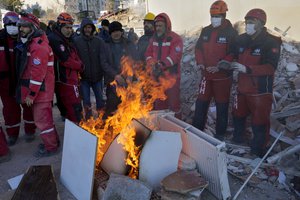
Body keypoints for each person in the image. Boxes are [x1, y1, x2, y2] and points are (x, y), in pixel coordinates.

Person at [231, 8, 281, 157]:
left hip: (260, 91)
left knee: (259, 122)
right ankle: (238, 142)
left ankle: (258, 151)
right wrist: (228, 62)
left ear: (261, 23)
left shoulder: (270, 42)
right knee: (238, 115)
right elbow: (232, 54)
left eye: (251, 22)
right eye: (247, 22)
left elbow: (270, 68)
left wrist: (247, 68)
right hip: (242, 88)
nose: (248, 25)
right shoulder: (242, 39)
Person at [15, 12, 59, 157]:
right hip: (42, 90)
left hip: (41, 92)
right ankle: (53, 142)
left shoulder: (38, 46)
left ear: (32, 28)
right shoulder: (33, 43)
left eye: (24, 27)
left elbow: (37, 74)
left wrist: (31, 94)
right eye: (20, 26)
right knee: (46, 119)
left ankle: (51, 148)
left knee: (42, 121)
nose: (21, 29)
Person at [192, 0, 237, 140]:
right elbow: (198, 49)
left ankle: (219, 137)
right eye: (212, 16)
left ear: (224, 16)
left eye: (217, 16)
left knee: (222, 107)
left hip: (222, 78)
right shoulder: (206, 30)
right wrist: (200, 63)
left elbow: (233, 53)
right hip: (206, 75)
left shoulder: (231, 32)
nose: (214, 19)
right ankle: (196, 133)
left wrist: (219, 65)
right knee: (200, 105)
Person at [0, 11, 36, 147]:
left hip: (23, 80)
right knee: (10, 110)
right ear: (4, 24)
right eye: (8, 24)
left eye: (14, 24)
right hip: (5, 82)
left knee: (28, 106)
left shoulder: (25, 38)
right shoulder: (0, 38)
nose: (11, 26)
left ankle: (30, 131)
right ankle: (12, 134)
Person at [145, 13, 183, 118]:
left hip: (171, 78)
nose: (158, 28)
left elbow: (175, 56)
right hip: (157, 77)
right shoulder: (153, 39)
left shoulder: (175, 38)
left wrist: (161, 64)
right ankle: (161, 127)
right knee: (159, 104)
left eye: (160, 26)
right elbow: (148, 54)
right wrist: (152, 63)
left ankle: (178, 128)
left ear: (167, 26)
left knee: (174, 104)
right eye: (156, 26)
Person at [48, 12, 83, 123]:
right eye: (66, 27)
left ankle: (73, 127)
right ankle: (76, 130)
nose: (69, 30)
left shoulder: (66, 39)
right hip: (65, 80)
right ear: (60, 26)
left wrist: (80, 64)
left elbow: (74, 55)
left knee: (72, 107)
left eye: (70, 28)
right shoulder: (55, 39)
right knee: (74, 107)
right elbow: (65, 60)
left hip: (70, 78)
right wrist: (80, 66)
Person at [74, 18, 113, 119]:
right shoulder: (77, 41)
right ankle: (89, 119)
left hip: (97, 77)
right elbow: (75, 58)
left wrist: (105, 74)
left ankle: (101, 118)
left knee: (100, 100)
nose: (88, 30)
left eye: (90, 28)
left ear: (93, 29)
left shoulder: (98, 41)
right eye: (86, 28)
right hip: (84, 77)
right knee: (86, 101)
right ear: (82, 29)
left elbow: (104, 58)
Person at [104, 21, 137, 118]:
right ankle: (110, 128)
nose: (116, 33)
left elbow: (135, 60)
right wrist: (116, 76)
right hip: (112, 80)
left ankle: (127, 129)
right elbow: (104, 63)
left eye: (118, 31)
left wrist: (131, 75)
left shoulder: (129, 44)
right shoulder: (106, 45)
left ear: (121, 31)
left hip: (127, 80)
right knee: (112, 105)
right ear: (110, 33)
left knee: (128, 105)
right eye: (113, 31)